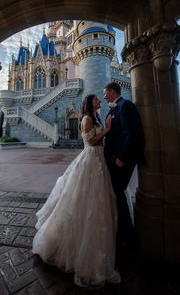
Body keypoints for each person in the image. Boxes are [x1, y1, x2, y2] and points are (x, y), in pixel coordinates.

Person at [32, 94, 121, 288]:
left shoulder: (96, 117)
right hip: (90, 159)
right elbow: (91, 142)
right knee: (84, 199)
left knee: (95, 201)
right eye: (97, 99)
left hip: (98, 161)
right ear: (90, 103)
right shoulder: (88, 119)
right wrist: (106, 130)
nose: (100, 101)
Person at [103, 82, 146, 252]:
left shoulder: (125, 105)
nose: (104, 96)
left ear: (113, 92)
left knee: (118, 193)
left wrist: (122, 157)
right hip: (114, 158)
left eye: (105, 93)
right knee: (117, 193)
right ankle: (124, 232)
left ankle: (128, 236)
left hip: (121, 159)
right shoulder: (115, 108)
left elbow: (133, 134)